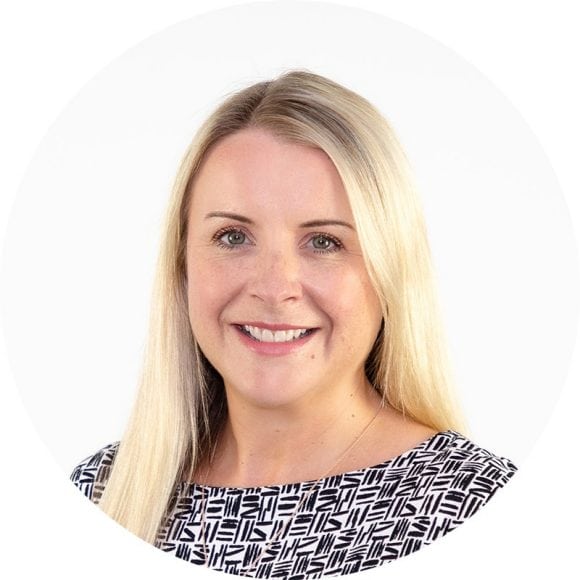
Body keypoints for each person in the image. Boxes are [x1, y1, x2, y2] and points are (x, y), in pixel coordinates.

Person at [71, 69, 517, 578]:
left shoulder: (475, 508)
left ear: (390, 270)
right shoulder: (102, 495)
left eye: (324, 242)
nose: (274, 286)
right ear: (182, 262)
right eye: (233, 237)